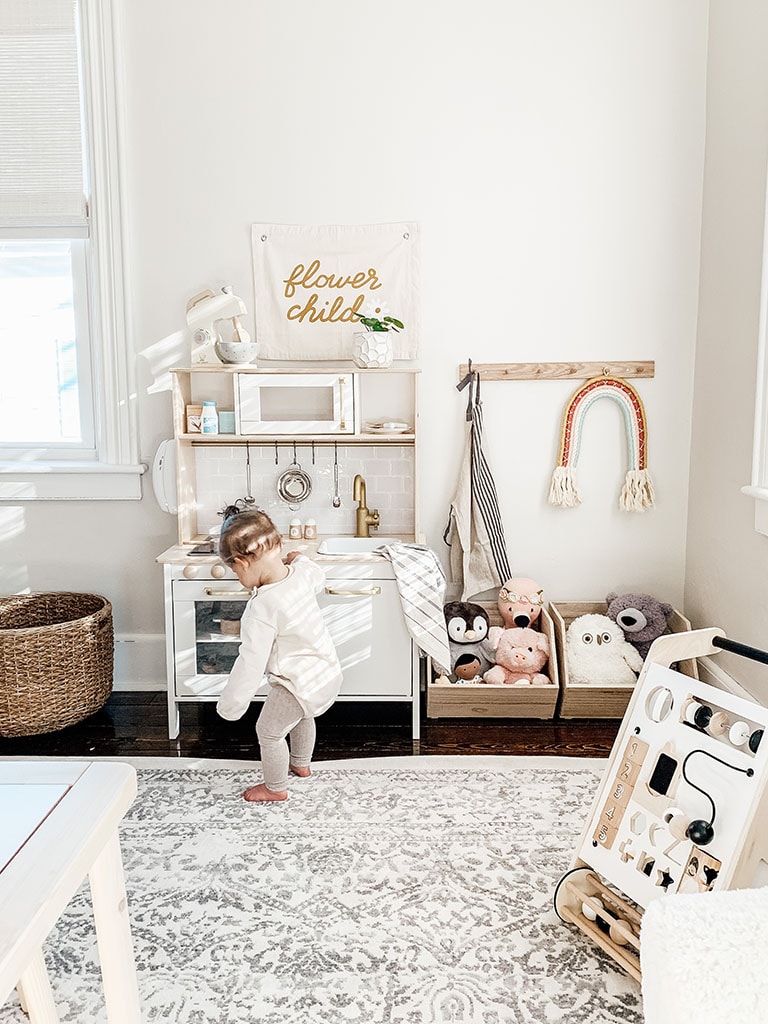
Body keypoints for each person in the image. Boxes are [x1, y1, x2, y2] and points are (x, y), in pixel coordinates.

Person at [215, 507, 342, 802]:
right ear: (277, 547)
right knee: (302, 713)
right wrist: (300, 558)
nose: (237, 577)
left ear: (244, 562)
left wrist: (231, 705)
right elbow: (315, 572)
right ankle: (300, 763)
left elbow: (250, 662)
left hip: (296, 681)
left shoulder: (261, 608)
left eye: (235, 571)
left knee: (269, 731)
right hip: (326, 673)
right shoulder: (299, 575)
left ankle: (275, 787)